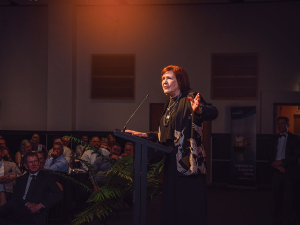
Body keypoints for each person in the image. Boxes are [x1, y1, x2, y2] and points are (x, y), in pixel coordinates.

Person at [125, 65, 218, 225]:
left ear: (180, 81)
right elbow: (168, 134)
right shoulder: (168, 105)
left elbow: (213, 112)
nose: (164, 82)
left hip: (189, 165)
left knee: (188, 210)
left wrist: (199, 110)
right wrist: (145, 135)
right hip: (171, 165)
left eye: (169, 78)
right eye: (163, 79)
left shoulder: (190, 97)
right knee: (172, 207)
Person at [0, 152, 63, 225]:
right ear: (26, 165)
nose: (34, 164)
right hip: (19, 208)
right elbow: (16, 197)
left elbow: (59, 194)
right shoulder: (21, 179)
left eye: (35, 161)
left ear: (39, 163)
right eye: (30, 162)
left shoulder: (47, 177)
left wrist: (40, 205)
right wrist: (27, 204)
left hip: (36, 213)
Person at [268, 117, 300, 225]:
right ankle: (278, 219)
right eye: (278, 124)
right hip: (276, 172)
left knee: (292, 197)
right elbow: (269, 154)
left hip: (289, 172)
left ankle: (292, 219)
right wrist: (277, 166)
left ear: (288, 125)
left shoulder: (295, 138)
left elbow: (295, 155)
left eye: (282, 123)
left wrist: (282, 163)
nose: (280, 125)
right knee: (277, 197)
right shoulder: (273, 138)